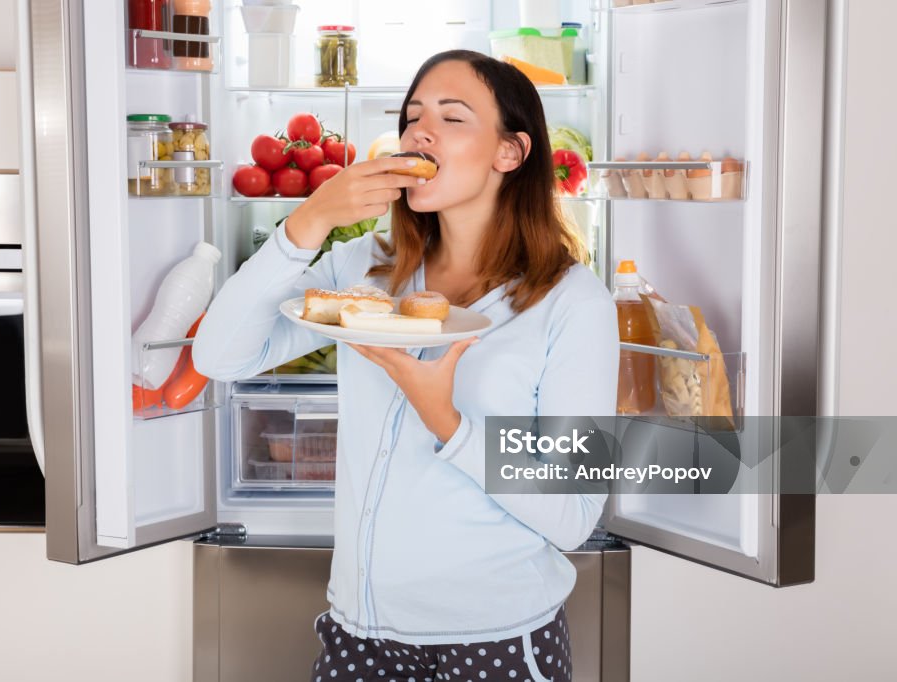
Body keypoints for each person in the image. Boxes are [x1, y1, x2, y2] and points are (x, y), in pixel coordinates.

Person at [193, 49, 619, 682]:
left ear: (510, 152)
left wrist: (446, 421)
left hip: (494, 642)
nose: (419, 131)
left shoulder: (571, 302)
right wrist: (307, 222)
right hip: (358, 630)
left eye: (452, 117)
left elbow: (573, 518)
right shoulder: (368, 266)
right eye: (412, 115)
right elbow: (222, 356)